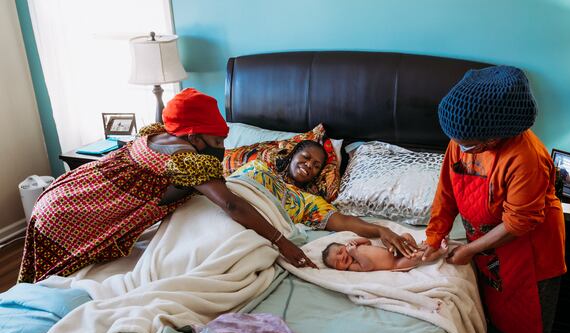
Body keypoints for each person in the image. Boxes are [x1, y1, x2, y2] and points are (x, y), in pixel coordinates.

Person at [18, 88, 315, 283]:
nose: (222, 148)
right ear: (194, 138)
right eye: (216, 142)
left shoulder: (159, 133)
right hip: (74, 211)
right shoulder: (185, 160)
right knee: (49, 280)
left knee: (42, 278)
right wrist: (282, 242)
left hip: (64, 192)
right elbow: (231, 204)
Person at [421, 66, 566, 333]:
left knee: (533, 330)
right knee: (497, 313)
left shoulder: (526, 157)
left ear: (493, 136)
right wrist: (434, 238)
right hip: (489, 248)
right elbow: (446, 193)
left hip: (532, 252)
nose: (458, 147)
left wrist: (471, 250)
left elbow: (519, 223)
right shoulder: (461, 140)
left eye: (467, 144)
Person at [230, 141, 420, 262]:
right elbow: (230, 188)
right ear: (293, 155)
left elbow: (344, 222)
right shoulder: (257, 166)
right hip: (226, 209)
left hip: (252, 231)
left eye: (316, 166)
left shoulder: (309, 202)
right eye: (305, 158)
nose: (308, 166)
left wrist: (381, 230)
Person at [322, 236, 448, 272]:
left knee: (405, 236)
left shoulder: (355, 247)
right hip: (395, 263)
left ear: (344, 246)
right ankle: (440, 252)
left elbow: (368, 242)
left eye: (339, 252)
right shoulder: (353, 265)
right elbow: (368, 266)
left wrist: (355, 242)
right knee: (418, 257)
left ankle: (418, 247)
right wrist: (354, 253)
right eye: (336, 263)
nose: (341, 258)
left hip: (393, 251)